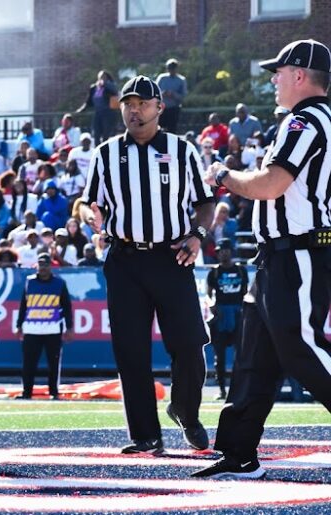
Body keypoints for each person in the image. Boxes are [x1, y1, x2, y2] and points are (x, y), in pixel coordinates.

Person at [197, 39, 331, 480]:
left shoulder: (305, 121)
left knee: (302, 347)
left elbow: (272, 184)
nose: (273, 79)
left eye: (279, 72)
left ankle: (239, 452)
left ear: (299, 75)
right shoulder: (308, 121)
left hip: (299, 251)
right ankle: (238, 453)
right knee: (256, 357)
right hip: (278, 255)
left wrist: (221, 175)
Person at [77, 75, 216, 455]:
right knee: (130, 349)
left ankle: (186, 410)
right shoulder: (106, 153)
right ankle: (145, 435)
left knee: (189, 344)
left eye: (142, 103)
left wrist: (197, 235)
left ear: (159, 108)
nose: (134, 110)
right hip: (124, 259)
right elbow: (90, 201)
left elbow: (206, 203)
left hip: (171, 256)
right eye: (127, 103)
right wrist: (92, 215)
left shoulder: (182, 150)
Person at [17, 253, 73, 399]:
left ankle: (54, 393)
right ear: (37, 265)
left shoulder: (59, 283)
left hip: (53, 329)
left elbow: (67, 306)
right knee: (28, 364)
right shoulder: (29, 282)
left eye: (46, 264)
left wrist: (69, 327)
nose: (43, 267)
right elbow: (23, 305)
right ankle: (26, 392)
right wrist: (19, 325)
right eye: (41, 264)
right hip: (31, 329)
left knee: (53, 364)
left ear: (51, 266)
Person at [206, 239, 248, 401]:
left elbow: (245, 292)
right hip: (221, 316)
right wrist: (211, 305)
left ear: (231, 252)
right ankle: (222, 389)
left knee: (241, 355)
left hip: (237, 314)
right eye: (220, 251)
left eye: (225, 250)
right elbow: (208, 294)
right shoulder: (214, 272)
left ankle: (239, 388)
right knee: (220, 356)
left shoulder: (240, 271)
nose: (223, 253)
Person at [76, 70, 119, 141]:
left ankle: (106, 150)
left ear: (107, 78)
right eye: (100, 77)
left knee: (106, 134)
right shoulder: (94, 88)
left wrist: (105, 84)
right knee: (96, 134)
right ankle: (98, 149)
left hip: (108, 114)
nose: (102, 78)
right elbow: (89, 101)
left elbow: (115, 91)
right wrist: (82, 109)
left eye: (104, 77)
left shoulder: (110, 85)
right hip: (98, 113)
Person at [156, 58, 187, 132]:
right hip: (161, 109)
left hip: (173, 109)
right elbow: (155, 91)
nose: (171, 69)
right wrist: (162, 94)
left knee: (172, 131)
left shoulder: (181, 80)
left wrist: (173, 95)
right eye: (170, 67)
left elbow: (183, 96)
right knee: (158, 130)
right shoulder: (162, 78)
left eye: (173, 67)